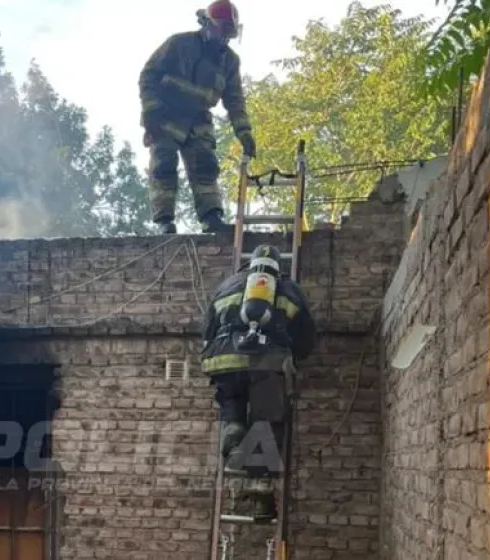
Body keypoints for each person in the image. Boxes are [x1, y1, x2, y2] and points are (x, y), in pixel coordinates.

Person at [200, 244, 316, 518]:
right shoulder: (288, 288)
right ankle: (259, 487)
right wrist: (294, 357)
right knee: (267, 422)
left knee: (232, 399)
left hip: (223, 359)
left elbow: (207, 330)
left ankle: (234, 427)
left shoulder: (226, 285)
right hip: (268, 362)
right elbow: (306, 336)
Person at [138, 0, 257, 235]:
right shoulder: (179, 44)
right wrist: (151, 111)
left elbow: (234, 99)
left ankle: (212, 218)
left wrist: (244, 132)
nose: (225, 39)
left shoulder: (230, 61)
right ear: (208, 25)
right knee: (164, 166)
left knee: (205, 166)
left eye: (229, 34)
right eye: (222, 32)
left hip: (199, 119)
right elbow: (148, 75)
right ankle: (165, 222)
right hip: (166, 114)